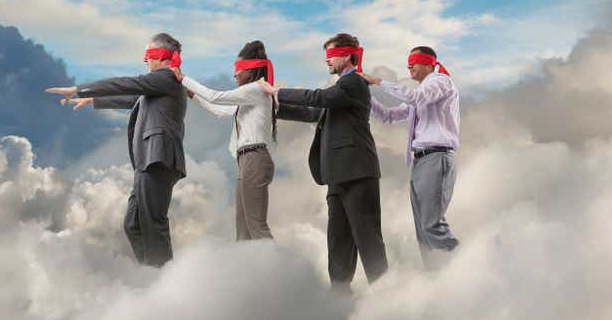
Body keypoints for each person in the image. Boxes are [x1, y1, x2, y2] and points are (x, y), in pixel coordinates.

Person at [45, 33, 187, 267]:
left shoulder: (166, 78)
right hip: (148, 160)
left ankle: (165, 280)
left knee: (153, 224)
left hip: (157, 159)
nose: (145, 61)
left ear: (162, 57)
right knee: (133, 224)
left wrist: (78, 89)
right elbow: (135, 99)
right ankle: (151, 273)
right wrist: (93, 100)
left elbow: (126, 83)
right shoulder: (160, 85)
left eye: (148, 56)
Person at [259, 33, 388, 289]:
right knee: (338, 241)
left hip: (357, 172)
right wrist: (275, 107)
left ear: (348, 55)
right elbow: (313, 112)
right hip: (336, 176)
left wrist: (277, 91)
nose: (326, 61)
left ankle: (388, 293)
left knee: (368, 238)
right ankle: (340, 295)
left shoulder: (353, 84)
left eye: (331, 55)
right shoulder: (338, 90)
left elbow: (318, 98)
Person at [360, 46, 460, 268]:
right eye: (408, 62)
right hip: (420, 162)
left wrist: (378, 82)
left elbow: (416, 98)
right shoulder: (423, 91)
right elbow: (388, 116)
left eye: (414, 61)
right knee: (423, 231)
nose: (409, 66)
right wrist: (365, 93)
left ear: (428, 63)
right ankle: (437, 278)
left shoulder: (440, 82)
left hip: (436, 158)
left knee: (431, 225)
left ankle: (466, 267)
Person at [172, 40, 277, 241]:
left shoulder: (255, 89)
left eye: (238, 69)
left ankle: (277, 270)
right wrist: (190, 93)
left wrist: (184, 78)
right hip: (247, 161)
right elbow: (220, 111)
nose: (235, 74)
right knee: (243, 228)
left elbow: (215, 96)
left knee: (256, 226)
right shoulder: (249, 96)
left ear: (250, 70)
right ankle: (249, 270)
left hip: (254, 159)